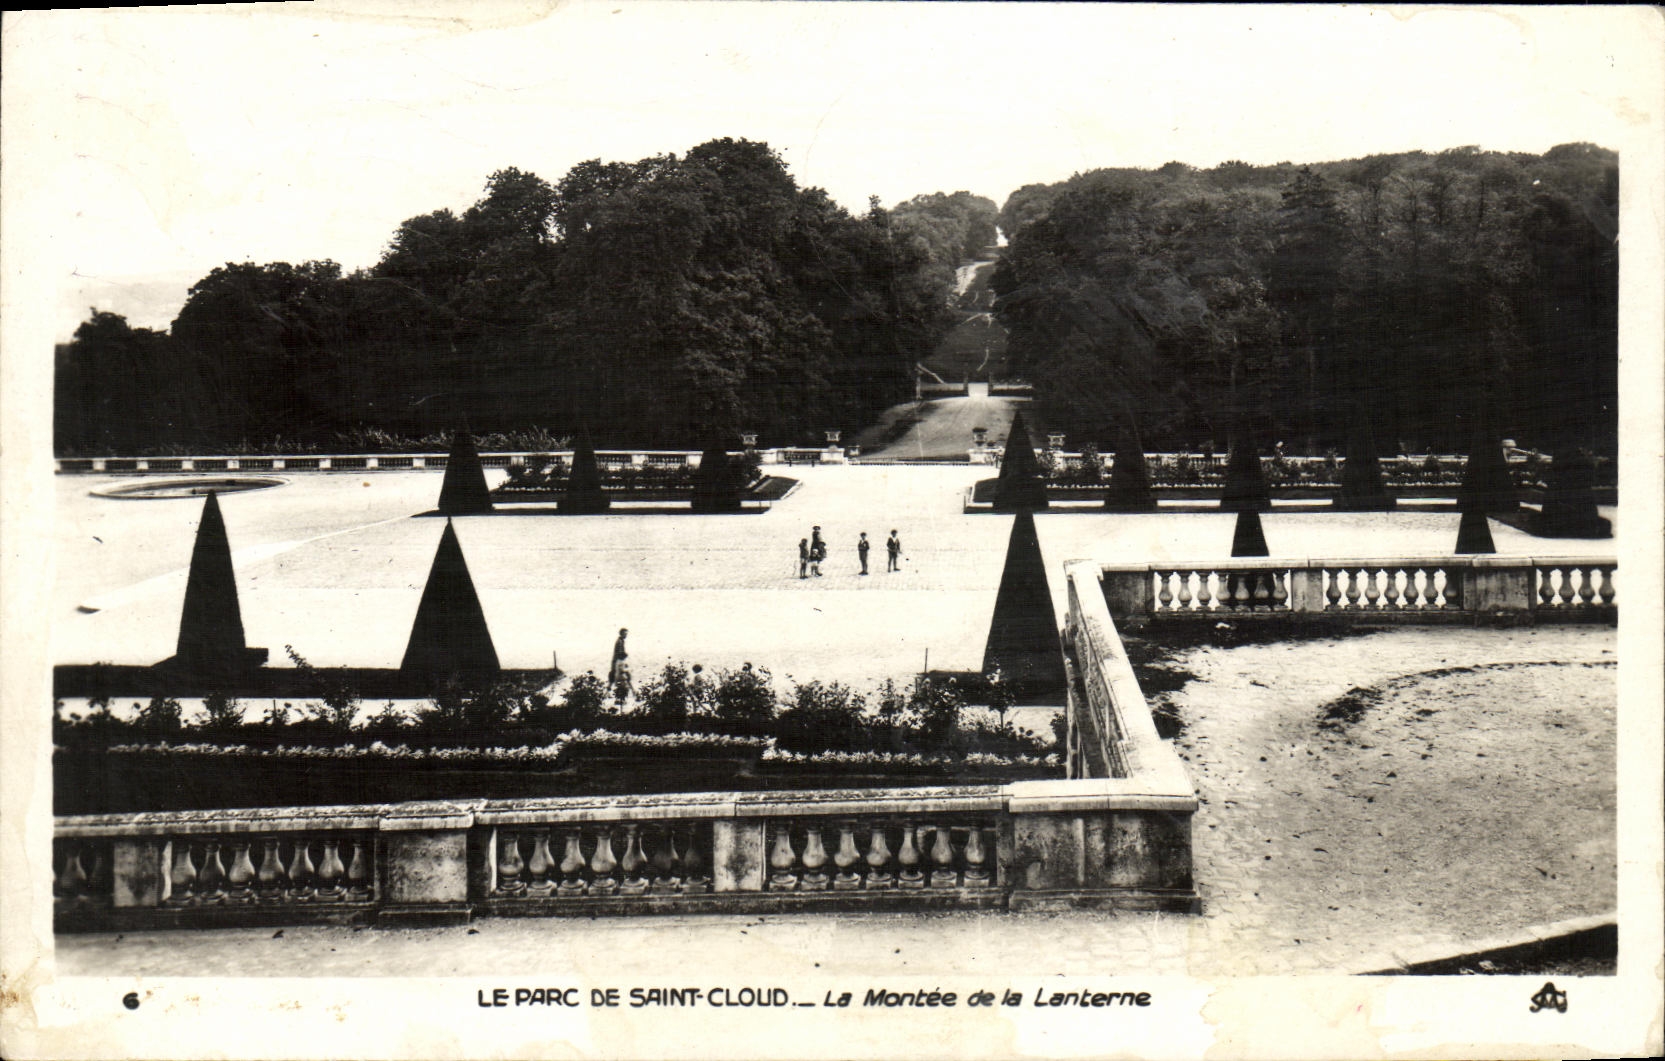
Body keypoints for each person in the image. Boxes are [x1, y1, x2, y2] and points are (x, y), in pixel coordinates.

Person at [608, 628, 631, 701]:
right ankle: (614, 694)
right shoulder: (619, 642)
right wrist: (625, 655)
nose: (626, 635)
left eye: (626, 634)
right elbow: (620, 653)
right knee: (619, 676)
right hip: (618, 661)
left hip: (618, 660)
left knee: (613, 676)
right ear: (621, 634)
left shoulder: (621, 641)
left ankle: (609, 691)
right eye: (625, 634)